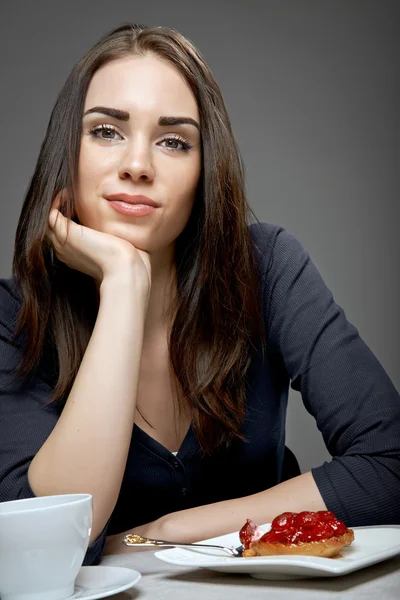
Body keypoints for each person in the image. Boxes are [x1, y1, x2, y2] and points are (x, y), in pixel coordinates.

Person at [0, 23, 399, 566]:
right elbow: (51, 542)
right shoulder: (12, 319)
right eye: (107, 131)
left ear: (204, 169)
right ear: (65, 152)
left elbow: (391, 463)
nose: (138, 165)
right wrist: (123, 283)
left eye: (173, 141)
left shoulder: (267, 268)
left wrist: (175, 529)